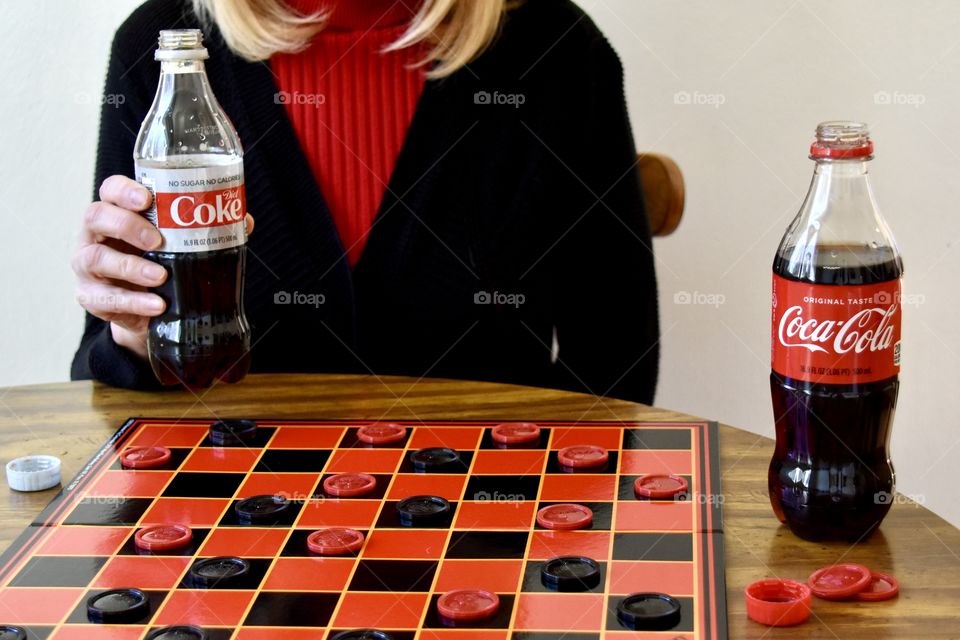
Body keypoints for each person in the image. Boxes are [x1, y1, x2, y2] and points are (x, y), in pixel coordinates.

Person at [71, 0, 660, 404]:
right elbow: (98, 380)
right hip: (232, 545)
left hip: (490, 537)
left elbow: (617, 364)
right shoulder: (163, 46)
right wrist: (130, 340)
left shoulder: (559, 52)